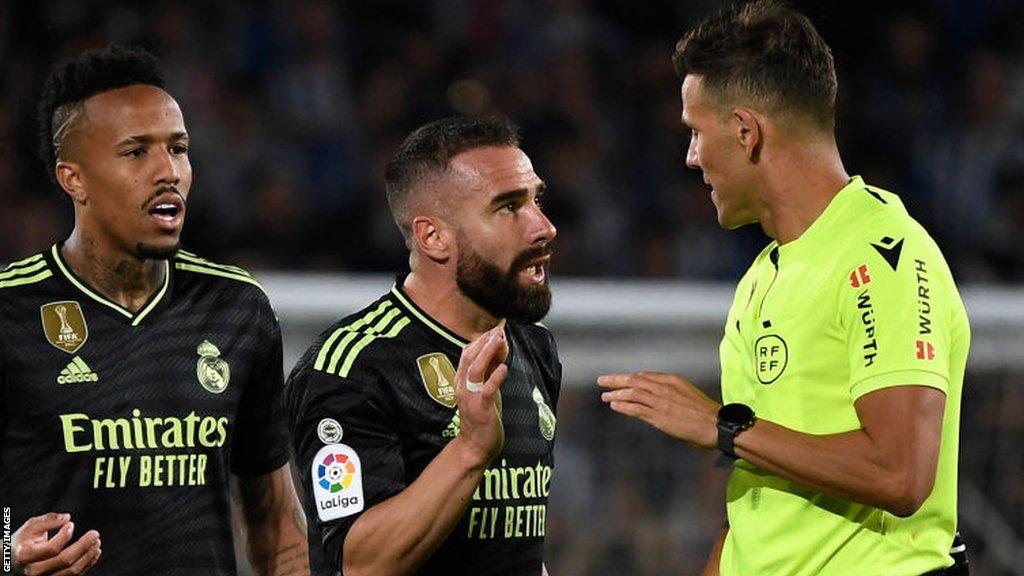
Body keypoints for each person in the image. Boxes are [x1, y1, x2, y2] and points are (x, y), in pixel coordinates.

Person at [598, 2, 970, 575]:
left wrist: (722, 427)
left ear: (746, 131)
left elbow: (900, 475)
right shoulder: (762, 276)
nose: (691, 157)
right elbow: (758, 488)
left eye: (696, 132)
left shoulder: (886, 255)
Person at [1, 45, 309, 576]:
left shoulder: (236, 308)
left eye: (179, 148)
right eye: (137, 152)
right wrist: (6, 553)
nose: (169, 171)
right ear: (73, 179)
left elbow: (277, 531)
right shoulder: (10, 310)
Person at [285, 116, 560, 576]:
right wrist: (470, 450)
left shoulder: (532, 346)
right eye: (509, 207)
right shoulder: (352, 367)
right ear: (434, 237)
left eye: (537, 199)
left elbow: (517, 550)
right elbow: (359, 565)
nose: (544, 226)